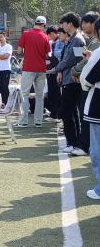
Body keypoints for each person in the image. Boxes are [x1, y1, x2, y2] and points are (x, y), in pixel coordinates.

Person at [48, 12, 85, 156]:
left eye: (63, 23)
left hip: (73, 81)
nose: (62, 26)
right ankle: (73, 142)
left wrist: (55, 69)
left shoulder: (77, 40)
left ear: (70, 24)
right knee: (70, 112)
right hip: (68, 79)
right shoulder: (72, 39)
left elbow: (72, 60)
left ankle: (74, 142)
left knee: (66, 111)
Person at [71, 12, 100, 156]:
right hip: (92, 87)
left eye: (86, 22)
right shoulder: (92, 41)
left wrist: (75, 71)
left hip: (94, 90)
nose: (83, 25)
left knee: (89, 119)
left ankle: (84, 146)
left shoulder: (96, 45)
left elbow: (88, 73)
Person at [79, 18, 100, 200]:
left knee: (97, 149)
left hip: (97, 105)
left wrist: (89, 59)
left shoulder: (98, 53)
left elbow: (86, 80)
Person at [17, 16, 50, 128]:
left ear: (35, 23)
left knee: (25, 95)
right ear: (43, 25)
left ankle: (24, 121)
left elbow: (19, 51)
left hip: (28, 68)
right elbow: (47, 55)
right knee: (40, 96)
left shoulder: (25, 34)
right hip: (41, 69)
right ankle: (38, 121)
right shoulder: (45, 37)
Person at [45, 26, 63, 120]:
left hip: (56, 71)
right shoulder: (55, 42)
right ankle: (54, 114)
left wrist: (48, 62)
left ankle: (56, 114)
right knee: (53, 93)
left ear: (51, 33)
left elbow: (56, 58)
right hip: (54, 70)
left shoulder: (58, 42)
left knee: (55, 93)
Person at [0, 32, 13, 107]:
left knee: (5, 86)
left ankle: (6, 103)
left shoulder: (8, 46)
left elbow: (6, 56)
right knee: (0, 86)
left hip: (6, 69)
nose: (0, 38)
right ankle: (4, 102)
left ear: (5, 37)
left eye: (1, 37)